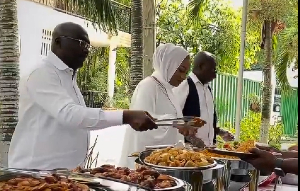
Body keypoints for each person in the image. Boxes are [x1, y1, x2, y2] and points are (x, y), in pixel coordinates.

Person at [8, 22, 157, 170]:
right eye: (81, 44)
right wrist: (126, 116)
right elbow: (70, 114)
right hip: (35, 174)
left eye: (88, 46)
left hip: (61, 174)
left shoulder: (67, 76)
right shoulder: (41, 73)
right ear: (58, 42)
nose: (86, 51)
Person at [120, 43, 197, 169]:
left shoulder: (169, 91)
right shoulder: (148, 86)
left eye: (186, 72)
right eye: (181, 70)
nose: (183, 77)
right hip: (147, 163)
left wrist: (185, 128)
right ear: (168, 64)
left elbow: (172, 123)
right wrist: (175, 122)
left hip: (166, 163)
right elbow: (141, 125)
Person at [173, 51, 234, 146]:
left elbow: (207, 121)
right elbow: (173, 121)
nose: (215, 74)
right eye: (212, 69)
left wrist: (220, 132)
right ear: (201, 66)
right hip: (189, 153)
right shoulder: (184, 86)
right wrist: (192, 139)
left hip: (208, 151)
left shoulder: (208, 89)